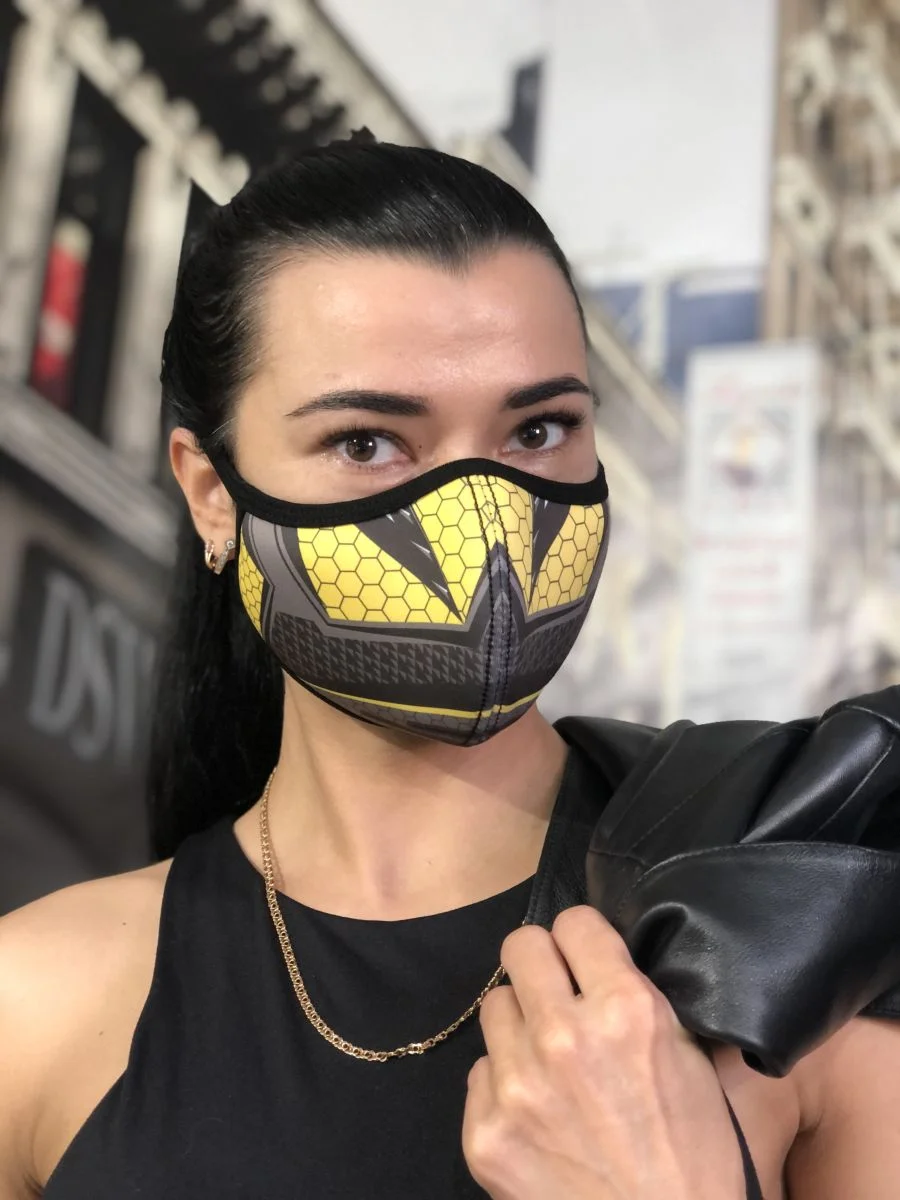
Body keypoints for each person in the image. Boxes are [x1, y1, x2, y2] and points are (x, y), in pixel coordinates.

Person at [0, 137, 898, 1200]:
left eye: (538, 429)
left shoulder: (788, 928)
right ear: (211, 494)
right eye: (368, 442)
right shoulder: (39, 1006)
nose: (484, 526)